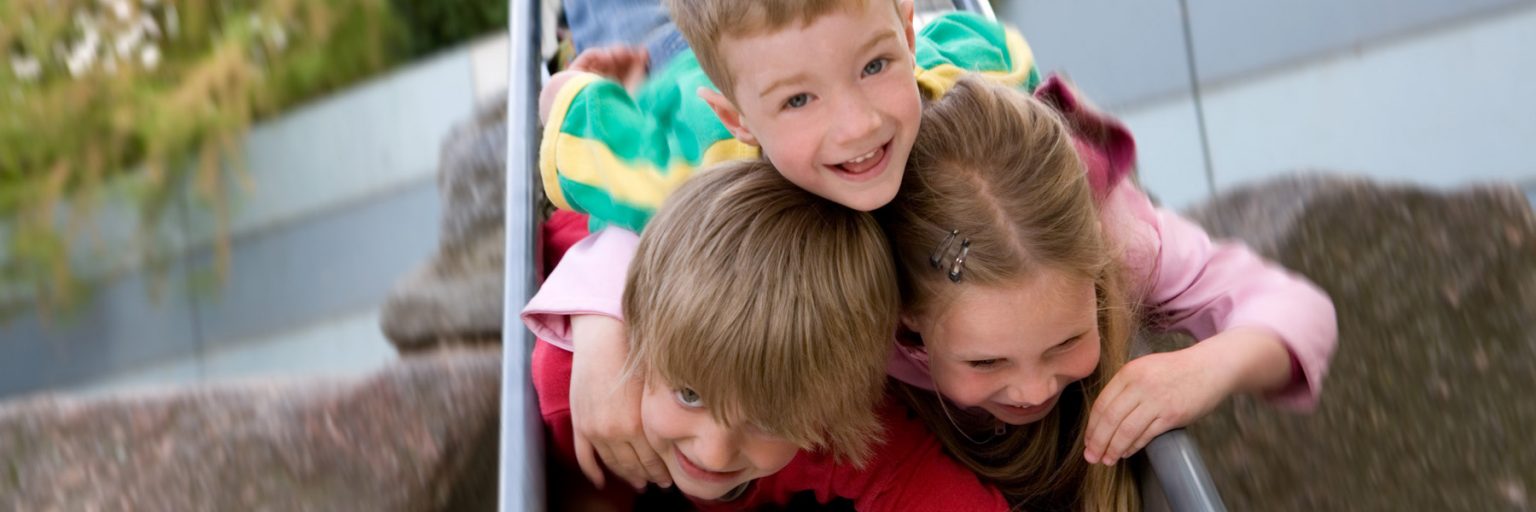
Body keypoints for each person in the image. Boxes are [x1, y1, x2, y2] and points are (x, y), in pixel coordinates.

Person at [534, 0, 1045, 490]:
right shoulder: (696, 164)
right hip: (672, 72)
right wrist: (604, 324)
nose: (858, 125)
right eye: (798, 100)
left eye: (874, 65)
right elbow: (572, 117)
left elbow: (998, 56)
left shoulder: (971, 88)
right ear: (739, 120)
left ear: (908, 36)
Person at [877, 75, 1337, 509]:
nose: (1034, 390)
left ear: (1098, 271)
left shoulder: (1120, 240)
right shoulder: (858, 316)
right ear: (908, 315)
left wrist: (1207, 368)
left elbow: (1303, 309)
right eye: (985, 361)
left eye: (1067, 342)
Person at [529, 159, 1009, 510]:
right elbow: (562, 226)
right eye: (690, 395)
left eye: (766, 420)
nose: (713, 452)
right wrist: (597, 319)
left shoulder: (815, 402)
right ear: (641, 334)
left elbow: (924, 486)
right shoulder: (574, 389)